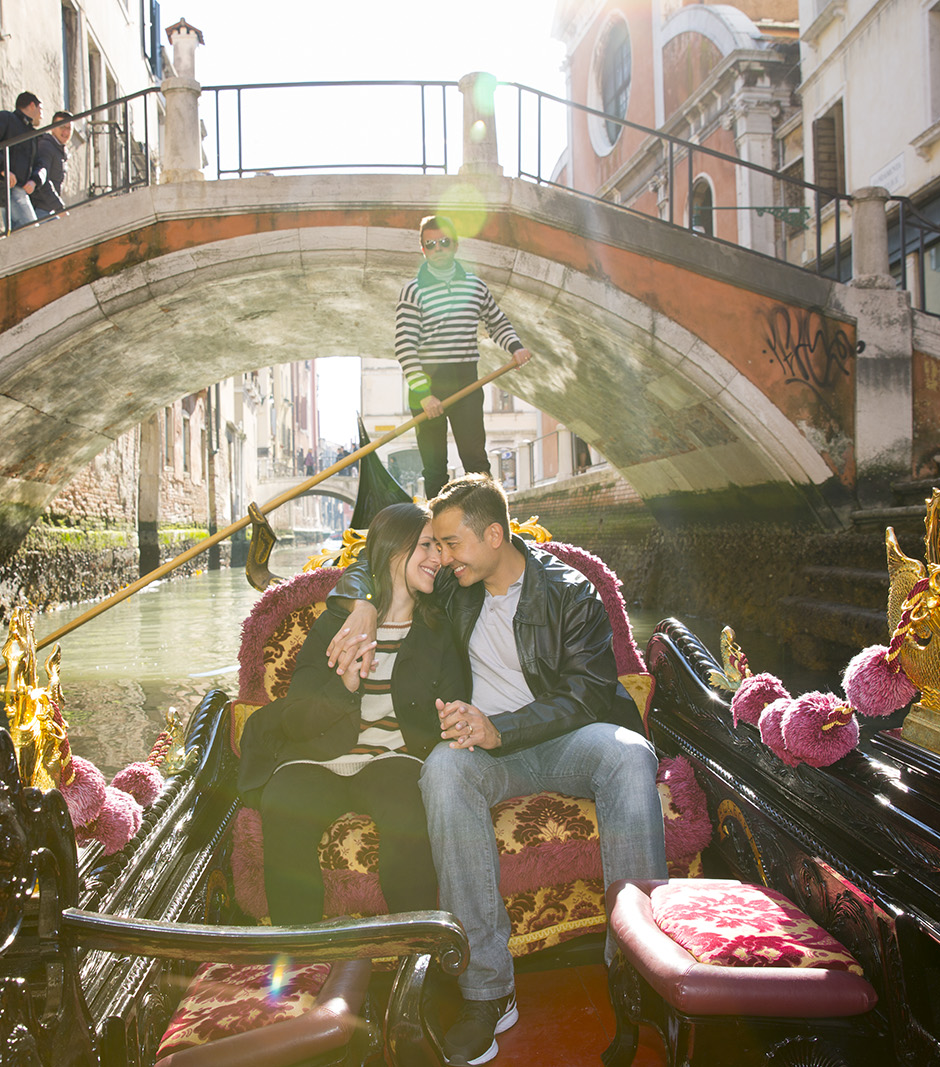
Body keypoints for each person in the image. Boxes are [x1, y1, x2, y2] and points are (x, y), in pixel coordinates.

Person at [326, 475, 664, 1067]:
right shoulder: (455, 588)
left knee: (629, 753)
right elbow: (378, 563)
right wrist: (358, 601)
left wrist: (501, 727)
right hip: (486, 757)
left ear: (494, 534)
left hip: (563, 741)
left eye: (453, 543)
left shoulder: (569, 592)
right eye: (438, 545)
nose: (442, 555)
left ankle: (639, 968)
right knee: (442, 771)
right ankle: (487, 988)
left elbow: (587, 695)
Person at [237, 502, 469, 925]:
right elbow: (296, 718)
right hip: (317, 757)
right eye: (425, 546)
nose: (438, 558)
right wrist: (344, 685)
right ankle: (299, 954)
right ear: (393, 550)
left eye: (439, 547)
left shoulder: (437, 629)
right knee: (285, 803)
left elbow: (453, 703)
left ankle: (412, 950)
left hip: (394, 760)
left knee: (409, 813)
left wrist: (452, 718)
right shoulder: (334, 627)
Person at [395, 216, 532, 500]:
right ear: (423, 250)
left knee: (476, 463)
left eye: (444, 242)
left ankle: (491, 524)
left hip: (465, 380)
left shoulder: (475, 286)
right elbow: (405, 345)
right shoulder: (413, 290)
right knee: (434, 470)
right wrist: (424, 394)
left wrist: (515, 348)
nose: (438, 249)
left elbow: (497, 322)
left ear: (455, 245)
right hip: (427, 384)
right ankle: (436, 530)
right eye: (431, 245)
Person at [0, 91, 41, 231]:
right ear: (32, 105)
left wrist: (35, 180)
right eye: (41, 109)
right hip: (7, 187)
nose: (42, 114)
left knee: (20, 238)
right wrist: (3, 168)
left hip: (18, 189)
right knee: (34, 233)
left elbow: (39, 163)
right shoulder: (6, 118)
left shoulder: (31, 134)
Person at [30, 110, 74, 219]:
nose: (65, 132)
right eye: (61, 127)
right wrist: (59, 208)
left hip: (47, 208)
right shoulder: (46, 146)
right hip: (39, 208)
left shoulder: (59, 150)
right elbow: (43, 179)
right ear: (53, 128)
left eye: (68, 128)